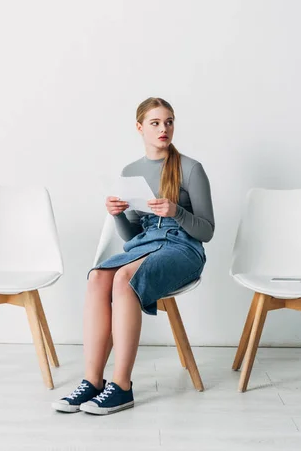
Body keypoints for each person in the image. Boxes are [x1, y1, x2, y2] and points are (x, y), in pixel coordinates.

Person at [52, 97, 215, 415]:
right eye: (155, 123)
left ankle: (122, 386)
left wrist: (176, 211)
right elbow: (131, 237)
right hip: (146, 246)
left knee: (124, 279)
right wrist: (116, 215)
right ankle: (92, 381)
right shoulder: (131, 171)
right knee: (99, 276)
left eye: (168, 122)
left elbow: (206, 231)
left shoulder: (192, 169)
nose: (163, 129)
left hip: (183, 248)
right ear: (140, 128)